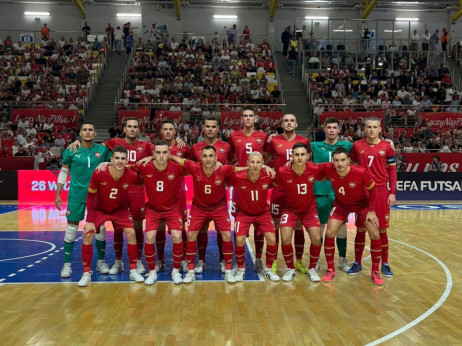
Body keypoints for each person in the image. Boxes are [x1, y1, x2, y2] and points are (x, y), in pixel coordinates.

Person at [68, 118, 153, 275]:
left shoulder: (146, 145)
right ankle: (118, 261)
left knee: (136, 226)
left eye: (135, 127)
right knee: (117, 228)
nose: (132, 129)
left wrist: (150, 157)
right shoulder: (113, 143)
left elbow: (163, 153)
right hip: (117, 188)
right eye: (129, 126)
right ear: (124, 128)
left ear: (139, 129)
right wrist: (77, 143)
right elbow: (93, 148)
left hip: (136, 188)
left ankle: (138, 261)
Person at [168, 146, 247, 283]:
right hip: (199, 208)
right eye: (205, 156)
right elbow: (180, 160)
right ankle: (191, 271)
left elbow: (240, 169)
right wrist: (168, 155)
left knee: (227, 234)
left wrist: (264, 167)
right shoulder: (194, 167)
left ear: (216, 158)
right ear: (200, 158)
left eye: (211, 156)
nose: (208, 159)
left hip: (219, 207)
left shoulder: (224, 169)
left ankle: (228, 271)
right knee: (192, 234)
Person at [77, 146, 144, 287]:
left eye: (123, 158)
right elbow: (90, 197)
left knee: (131, 233)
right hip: (99, 209)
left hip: (120, 210)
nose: (120, 161)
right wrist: (89, 220)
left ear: (127, 160)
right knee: (88, 234)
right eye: (117, 158)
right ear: (111, 159)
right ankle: (86, 274)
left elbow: (144, 170)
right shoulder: (99, 172)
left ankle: (133, 270)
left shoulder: (131, 175)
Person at [318, 147, 384, 286]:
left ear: (349, 160)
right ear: (332, 161)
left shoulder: (360, 172)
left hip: (363, 205)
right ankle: (330, 269)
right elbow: (310, 166)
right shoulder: (328, 168)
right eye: (336, 161)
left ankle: (375, 271)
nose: (340, 164)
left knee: (374, 233)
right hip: (341, 205)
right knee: (329, 232)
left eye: (343, 160)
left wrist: (371, 211)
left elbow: (374, 189)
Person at [55, 122, 111, 278]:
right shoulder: (71, 150)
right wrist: (57, 194)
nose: (88, 132)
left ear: (95, 134)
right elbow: (64, 172)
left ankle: (100, 262)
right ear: (80, 133)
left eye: (91, 130)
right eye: (85, 130)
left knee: (100, 228)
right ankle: (67, 265)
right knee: (71, 228)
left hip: (98, 196)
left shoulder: (103, 150)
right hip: (77, 195)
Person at [131, 140, 186, 285]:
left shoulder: (176, 167)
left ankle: (175, 271)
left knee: (177, 236)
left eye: (164, 153)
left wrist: (174, 157)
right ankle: (152, 272)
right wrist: (105, 164)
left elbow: (194, 166)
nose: (161, 156)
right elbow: (123, 167)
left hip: (172, 209)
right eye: (158, 153)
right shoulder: (144, 166)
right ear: (153, 154)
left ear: (169, 153)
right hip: (153, 209)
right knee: (149, 238)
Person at [349, 116, 397, 278]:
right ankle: (357, 263)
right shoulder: (357, 145)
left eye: (374, 127)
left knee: (382, 229)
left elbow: (392, 171)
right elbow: (351, 164)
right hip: (363, 193)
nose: (371, 130)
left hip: (382, 191)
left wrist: (393, 193)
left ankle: (385, 263)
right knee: (361, 228)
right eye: (368, 127)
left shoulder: (387, 146)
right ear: (364, 129)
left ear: (379, 129)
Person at [265, 114, 310, 274]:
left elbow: (308, 161)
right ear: (281, 123)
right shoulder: (274, 140)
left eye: (292, 120)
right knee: (275, 225)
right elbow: (266, 157)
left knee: (298, 225)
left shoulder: (304, 141)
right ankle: (274, 261)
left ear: (296, 123)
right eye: (286, 120)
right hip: (279, 188)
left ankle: (298, 261)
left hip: (296, 188)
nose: (289, 123)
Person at [188, 115, 233, 273]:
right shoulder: (195, 147)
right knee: (201, 230)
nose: (210, 129)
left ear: (218, 129)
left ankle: (222, 259)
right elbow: (188, 165)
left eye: (213, 126)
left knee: (223, 230)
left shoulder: (226, 146)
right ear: (203, 128)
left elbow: (231, 166)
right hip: (201, 199)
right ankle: (201, 261)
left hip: (219, 197)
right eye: (207, 126)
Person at [310, 118, 353, 273]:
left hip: (340, 194)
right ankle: (316, 260)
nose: (332, 130)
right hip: (320, 192)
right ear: (324, 129)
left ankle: (342, 259)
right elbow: (299, 156)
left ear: (339, 130)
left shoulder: (348, 146)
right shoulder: (314, 146)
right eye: (329, 127)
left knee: (341, 226)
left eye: (335, 127)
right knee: (320, 227)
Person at [228, 107, 268, 274]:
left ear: (256, 118)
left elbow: (269, 155)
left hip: (258, 183)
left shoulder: (264, 136)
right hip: (240, 184)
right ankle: (240, 261)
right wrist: (236, 168)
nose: (248, 118)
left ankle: (258, 259)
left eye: (251, 116)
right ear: (241, 119)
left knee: (259, 225)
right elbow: (230, 157)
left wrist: (264, 166)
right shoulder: (233, 136)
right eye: (245, 116)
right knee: (239, 225)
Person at [229, 152, 279, 282]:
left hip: (263, 213)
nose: (255, 165)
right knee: (239, 239)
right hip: (244, 213)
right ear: (247, 163)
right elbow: (222, 176)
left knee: (272, 239)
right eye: (252, 162)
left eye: (258, 162)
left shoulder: (268, 175)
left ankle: (268, 269)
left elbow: (283, 180)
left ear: (263, 164)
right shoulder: (238, 177)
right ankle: (241, 269)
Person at [278, 143, 323, 282]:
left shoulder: (314, 168)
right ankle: (290, 268)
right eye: (296, 154)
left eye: (302, 154)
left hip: (309, 209)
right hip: (290, 210)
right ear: (291, 156)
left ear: (308, 156)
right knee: (285, 237)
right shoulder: (282, 171)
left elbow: (333, 169)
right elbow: (271, 182)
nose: (299, 157)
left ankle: (312, 269)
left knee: (316, 238)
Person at [153, 120, 190, 273]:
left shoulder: (183, 147)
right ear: (161, 131)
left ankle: (183, 259)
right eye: (165, 129)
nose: (168, 131)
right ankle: (160, 260)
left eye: (171, 129)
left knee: (181, 229)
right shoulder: (154, 147)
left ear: (175, 131)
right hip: (159, 194)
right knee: (160, 227)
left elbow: (191, 165)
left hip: (178, 194)